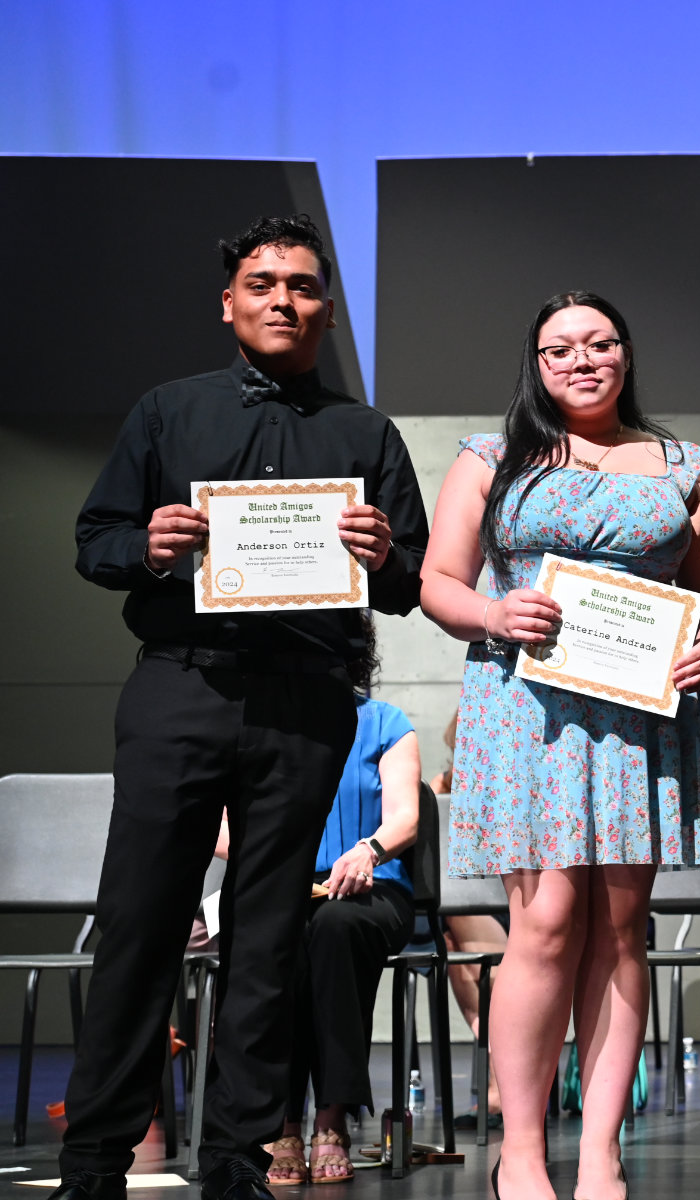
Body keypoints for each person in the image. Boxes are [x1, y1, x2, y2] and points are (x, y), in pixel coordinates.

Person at [62, 215, 428, 1200]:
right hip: (181, 686)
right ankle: (94, 1164)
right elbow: (94, 542)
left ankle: (236, 1165)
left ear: (325, 306)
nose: (283, 300)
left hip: (305, 706)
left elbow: (407, 582)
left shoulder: (366, 434)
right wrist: (150, 542)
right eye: (262, 283)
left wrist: (378, 552)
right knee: (141, 926)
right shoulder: (166, 412)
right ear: (229, 303)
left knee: (270, 939)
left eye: (302, 286)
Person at [420, 291, 700, 1200]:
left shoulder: (681, 465)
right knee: (547, 923)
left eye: (600, 343)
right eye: (560, 348)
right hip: (527, 709)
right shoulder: (490, 457)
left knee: (622, 929)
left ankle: (600, 1153)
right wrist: (492, 609)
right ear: (537, 363)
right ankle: (519, 1150)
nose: (581, 359)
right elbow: (441, 580)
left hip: (640, 713)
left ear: (626, 355)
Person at [261, 630, 420, 1185]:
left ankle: (330, 1118)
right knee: (278, 934)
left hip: (374, 888)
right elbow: (223, 825)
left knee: (333, 927)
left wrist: (366, 851)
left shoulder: (385, 723)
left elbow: (405, 817)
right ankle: (279, 1121)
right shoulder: (261, 720)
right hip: (283, 885)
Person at [427, 713, 508, 1129]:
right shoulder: (439, 790)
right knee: (454, 935)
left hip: (513, 904)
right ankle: (504, 1081)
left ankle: (504, 1085)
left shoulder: (511, 785)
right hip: (452, 909)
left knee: (461, 929)